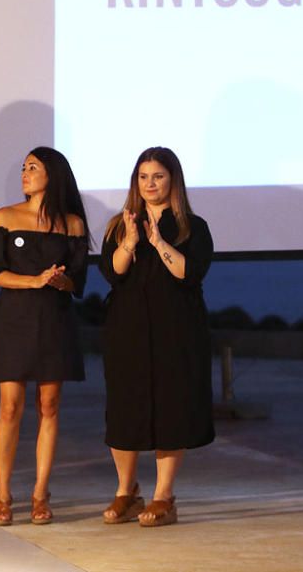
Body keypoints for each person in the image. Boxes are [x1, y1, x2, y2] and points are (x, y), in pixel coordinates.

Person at [99, 146, 214, 527]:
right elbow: (113, 273)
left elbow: (188, 274)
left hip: (176, 329)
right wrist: (131, 241)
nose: (150, 184)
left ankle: (164, 496)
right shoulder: (120, 224)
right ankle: (126, 491)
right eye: (143, 177)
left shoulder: (191, 226)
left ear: (173, 180)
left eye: (158, 176)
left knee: (170, 407)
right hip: (127, 328)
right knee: (125, 406)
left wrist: (159, 243)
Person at [0, 147, 89, 525]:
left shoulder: (72, 224)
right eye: (23, 167)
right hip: (16, 319)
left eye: (33, 167)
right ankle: (3, 493)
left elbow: (78, 283)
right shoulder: (6, 217)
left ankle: (41, 493)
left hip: (55, 319)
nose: (24, 173)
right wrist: (34, 280)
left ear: (52, 175)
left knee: (50, 404)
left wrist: (59, 281)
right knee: (9, 406)